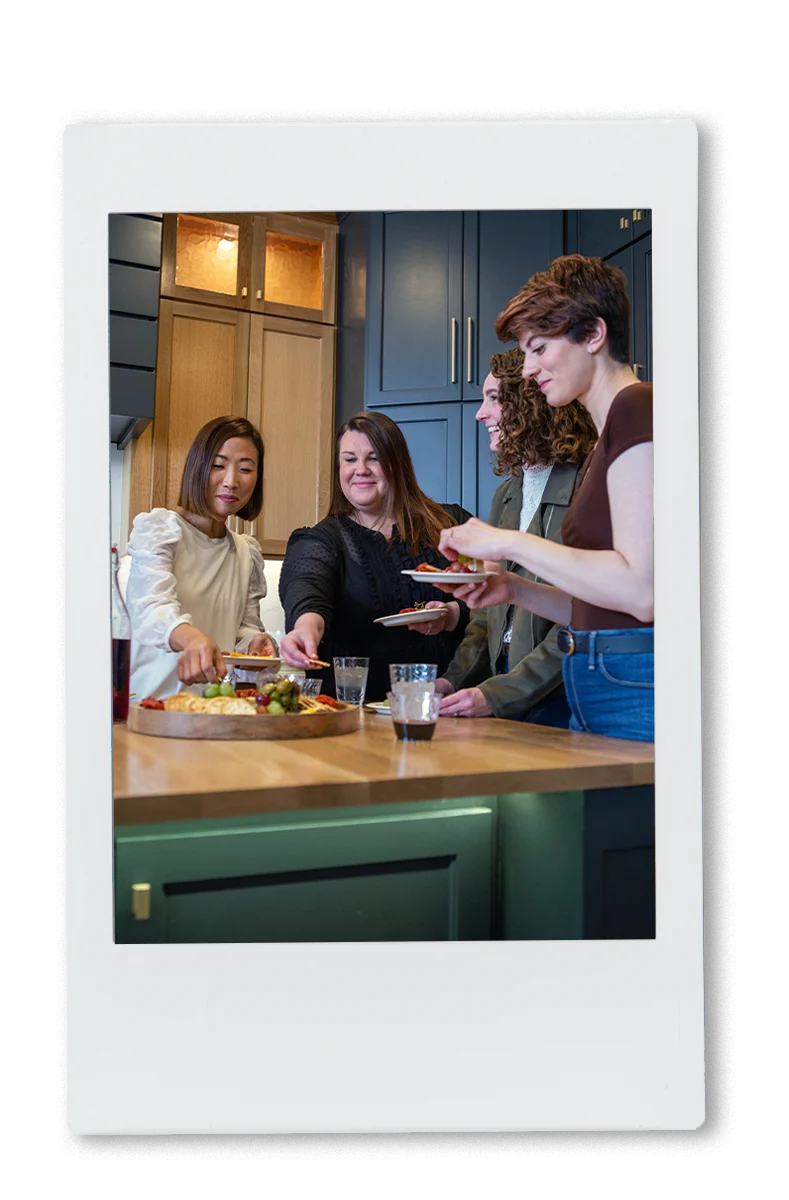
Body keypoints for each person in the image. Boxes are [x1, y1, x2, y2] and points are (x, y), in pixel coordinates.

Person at [435, 255, 654, 742]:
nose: (529, 369)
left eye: (538, 348)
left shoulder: (637, 408)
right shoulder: (608, 436)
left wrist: (508, 543)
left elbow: (643, 593)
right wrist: (514, 590)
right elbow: (601, 603)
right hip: (603, 675)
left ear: (593, 335)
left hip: (632, 678)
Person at [435, 346, 597, 726]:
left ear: (530, 405)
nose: (480, 413)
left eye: (493, 399)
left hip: (562, 698)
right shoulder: (506, 495)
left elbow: (581, 618)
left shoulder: (584, 487)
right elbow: (484, 615)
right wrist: (450, 681)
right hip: (505, 686)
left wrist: (497, 694)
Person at [278, 411, 474, 700]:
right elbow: (307, 589)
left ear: (397, 464)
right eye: (349, 459)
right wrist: (305, 628)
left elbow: (497, 604)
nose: (361, 469)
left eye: (373, 457)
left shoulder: (452, 524)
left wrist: (454, 614)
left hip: (448, 707)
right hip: (353, 716)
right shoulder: (321, 540)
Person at [126, 415, 277, 700]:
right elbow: (151, 609)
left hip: (213, 709)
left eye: (245, 469)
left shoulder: (246, 552)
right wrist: (191, 637)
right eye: (218, 466)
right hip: (151, 708)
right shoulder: (161, 530)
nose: (231, 481)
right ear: (196, 468)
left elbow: (241, 631)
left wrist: (253, 644)